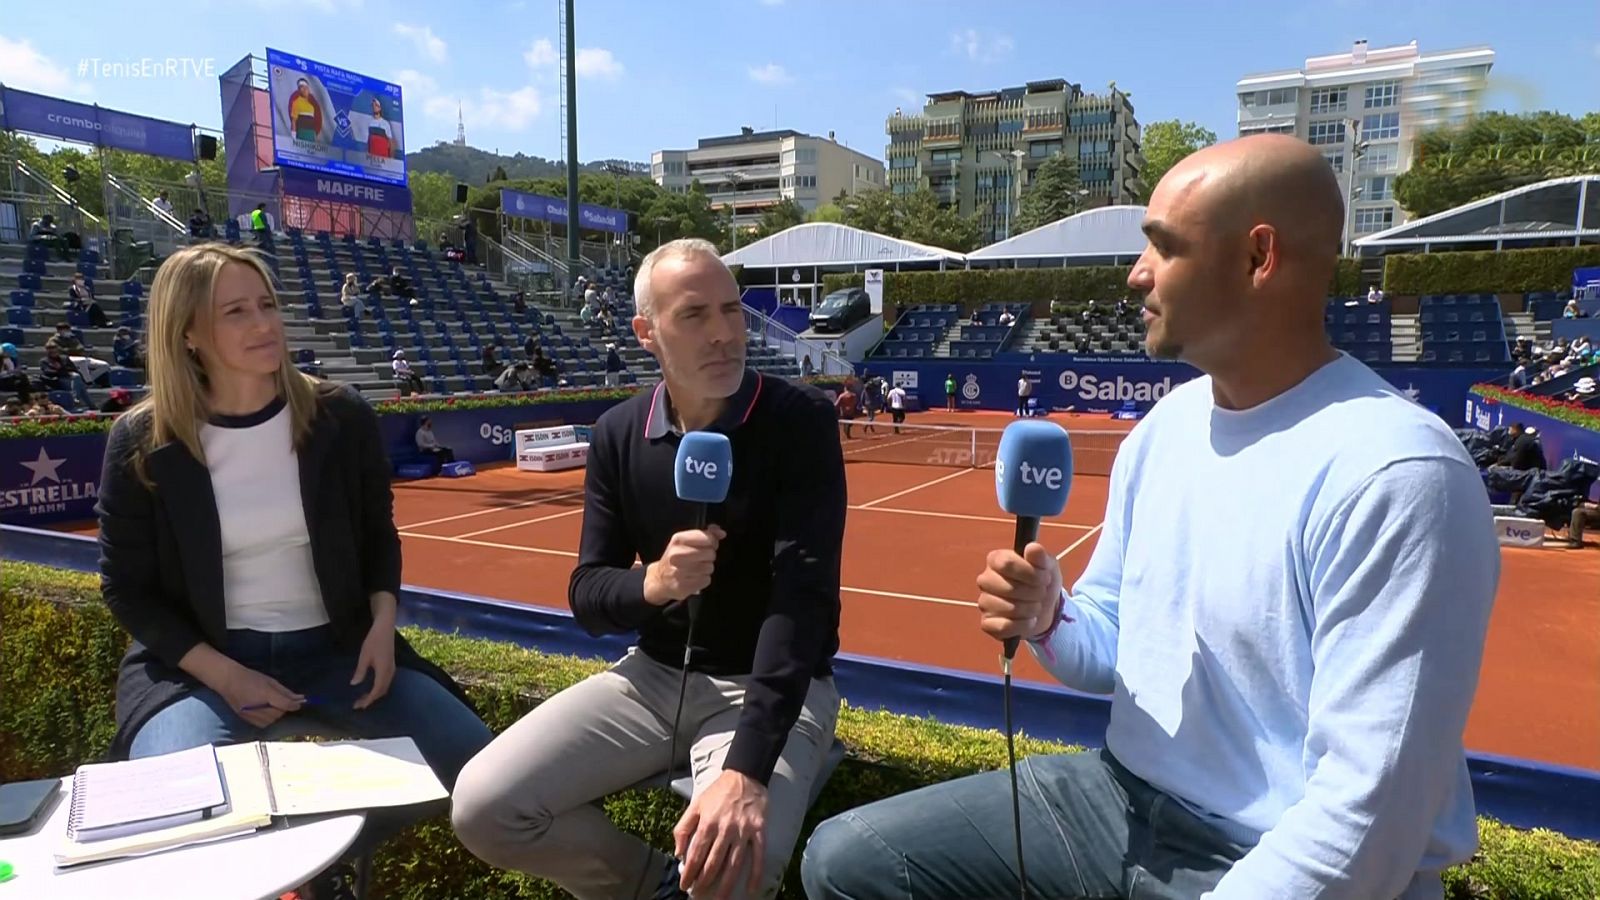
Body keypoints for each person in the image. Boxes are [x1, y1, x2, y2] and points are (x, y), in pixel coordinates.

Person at [800, 134, 1502, 900]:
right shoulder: (1163, 429)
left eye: (1164, 248)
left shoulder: (1397, 473)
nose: (1136, 274)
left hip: (1263, 846)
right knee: (848, 861)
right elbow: (1113, 642)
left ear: (1257, 258)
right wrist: (1050, 618)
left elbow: (1366, 822)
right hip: (1118, 799)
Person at [452, 238, 846, 900]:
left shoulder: (799, 420)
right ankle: (647, 883)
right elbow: (589, 593)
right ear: (646, 332)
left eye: (731, 311)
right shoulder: (615, 432)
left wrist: (746, 770)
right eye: (695, 316)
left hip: (771, 682)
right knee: (484, 808)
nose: (724, 334)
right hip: (652, 679)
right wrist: (654, 584)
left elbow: (802, 604)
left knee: (732, 868)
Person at [95, 243, 493, 900]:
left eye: (268, 304)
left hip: (338, 651)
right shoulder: (141, 441)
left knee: (479, 769)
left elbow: (377, 537)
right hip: (202, 670)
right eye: (236, 313)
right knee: (177, 820)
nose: (264, 324)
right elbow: (126, 590)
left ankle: (307, 862)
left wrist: (381, 627)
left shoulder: (342, 417)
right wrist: (226, 674)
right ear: (188, 334)